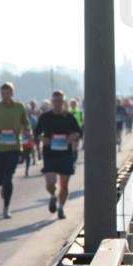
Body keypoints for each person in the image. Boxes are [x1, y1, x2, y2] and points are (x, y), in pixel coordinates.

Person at [0, 82, 30, 218]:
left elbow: (26, 123)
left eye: (7, 93)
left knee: (8, 177)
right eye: (2, 93)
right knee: (0, 180)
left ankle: (6, 208)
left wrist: (25, 130)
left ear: (12, 93)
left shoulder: (19, 107)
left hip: (14, 147)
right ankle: (3, 186)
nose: (5, 96)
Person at [35, 90, 82, 220]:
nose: (57, 103)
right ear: (52, 102)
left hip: (65, 154)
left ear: (63, 102)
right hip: (50, 153)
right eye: (55, 101)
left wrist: (73, 136)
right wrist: (42, 139)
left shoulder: (69, 117)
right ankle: (53, 196)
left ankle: (61, 208)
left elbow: (78, 132)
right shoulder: (45, 117)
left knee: (64, 184)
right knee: (50, 182)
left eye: (60, 101)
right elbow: (37, 132)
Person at [21, 101, 41, 177]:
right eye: (25, 111)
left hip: (30, 138)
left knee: (29, 153)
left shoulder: (33, 118)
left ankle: (27, 169)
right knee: (24, 155)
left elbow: (36, 127)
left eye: (27, 111)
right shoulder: (19, 119)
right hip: (21, 139)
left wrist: (31, 133)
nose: (26, 112)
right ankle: (23, 160)